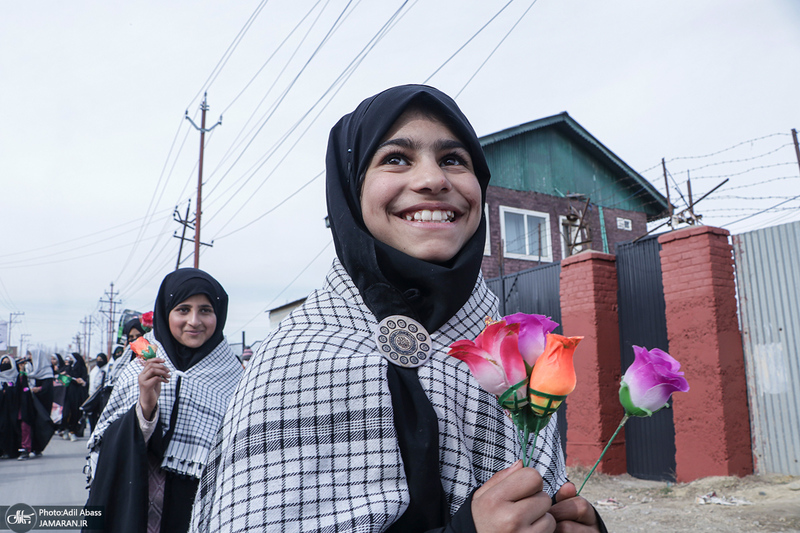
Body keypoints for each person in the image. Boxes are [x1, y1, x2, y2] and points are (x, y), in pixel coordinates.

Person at [191, 85, 605, 532]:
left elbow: (545, 491)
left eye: (453, 160)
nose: (432, 179)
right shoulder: (294, 361)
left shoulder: (506, 354)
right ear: (351, 189)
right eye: (396, 158)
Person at [85, 268, 243, 533]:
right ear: (165, 311)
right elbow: (107, 438)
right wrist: (145, 406)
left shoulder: (233, 374)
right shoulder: (141, 362)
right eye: (183, 309)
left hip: (205, 507)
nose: (194, 321)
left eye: (205, 310)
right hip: (137, 504)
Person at [18, 349, 55, 459]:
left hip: (41, 404)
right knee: (27, 424)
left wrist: (39, 389)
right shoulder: (28, 368)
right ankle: (26, 447)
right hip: (28, 402)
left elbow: (48, 388)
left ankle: (37, 447)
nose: (28, 357)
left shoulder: (47, 371)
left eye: (30, 354)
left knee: (41, 425)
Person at [0, 355, 21, 458]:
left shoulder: (16, 377)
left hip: (12, 409)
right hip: (1, 409)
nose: (5, 365)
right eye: (3, 362)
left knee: (11, 429)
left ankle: (11, 451)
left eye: (8, 362)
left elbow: (19, 392)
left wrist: (8, 391)